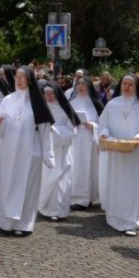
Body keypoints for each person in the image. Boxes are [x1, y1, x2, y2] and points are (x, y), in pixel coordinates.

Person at [0, 67, 55, 236]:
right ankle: (4, 221)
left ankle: (23, 224)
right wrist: (0, 123)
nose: (19, 80)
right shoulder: (7, 100)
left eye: (22, 77)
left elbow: (44, 130)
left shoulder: (37, 102)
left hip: (30, 151)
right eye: (17, 77)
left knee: (26, 188)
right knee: (7, 184)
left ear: (29, 80)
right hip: (9, 150)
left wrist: (48, 155)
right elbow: (0, 126)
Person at [98, 74, 139, 236]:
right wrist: (104, 134)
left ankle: (132, 221)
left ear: (137, 88)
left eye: (131, 85)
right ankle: (113, 216)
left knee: (134, 187)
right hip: (116, 154)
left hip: (136, 156)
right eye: (124, 83)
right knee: (116, 185)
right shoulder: (112, 104)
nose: (127, 87)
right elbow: (103, 124)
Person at [38, 80, 79, 221]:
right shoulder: (40, 109)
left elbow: (71, 132)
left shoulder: (65, 110)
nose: (49, 97)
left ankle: (57, 210)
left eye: (51, 94)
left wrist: (53, 129)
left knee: (60, 181)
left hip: (61, 151)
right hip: (44, 151)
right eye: (46, 94)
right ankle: (43, 207)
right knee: (44, 180)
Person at [68, 75, 104, 209]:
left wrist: (94, 126)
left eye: (84, 84)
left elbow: (105, 124)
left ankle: (84, 198)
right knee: (73, 167)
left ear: (89, 87)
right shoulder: (71, 102)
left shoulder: (96, 104)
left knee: (86, 168)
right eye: (79, 84)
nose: (81, 87)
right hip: (73, 139)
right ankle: (71, 195)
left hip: (89, 140)